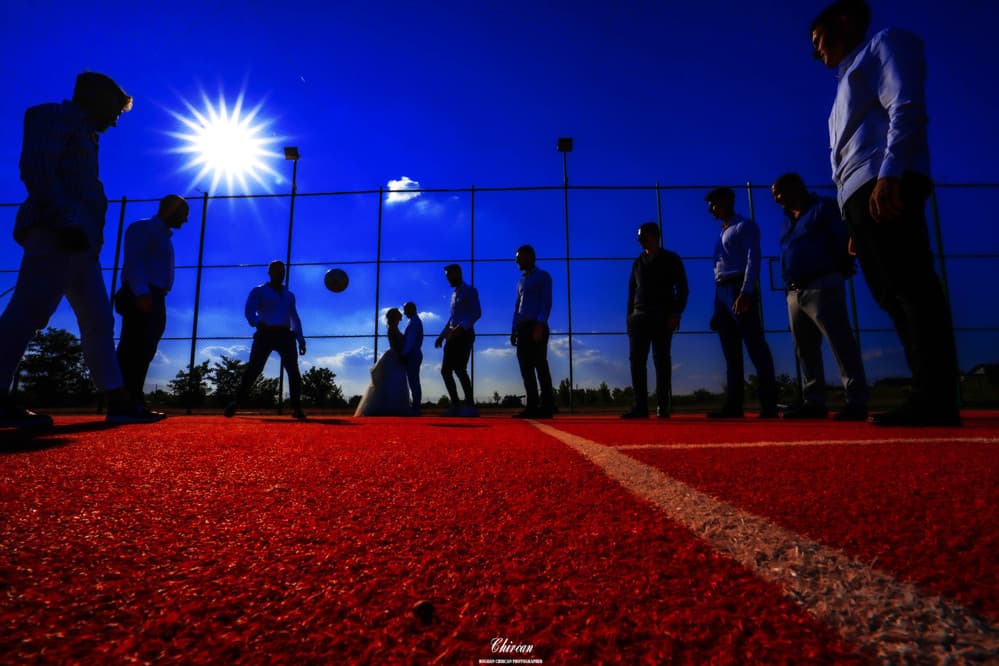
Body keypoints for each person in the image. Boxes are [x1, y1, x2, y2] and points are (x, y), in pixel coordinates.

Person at [810, 0, 960, 426]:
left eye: (817, 39)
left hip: (884, 180)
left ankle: (937, 397)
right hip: (861, 195)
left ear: (841, 20)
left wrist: (890, 172)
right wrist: (850, 216)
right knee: (891, 293)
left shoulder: (883, 44)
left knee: (912, 286)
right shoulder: (844, 85)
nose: (816, 51)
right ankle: (926, 391)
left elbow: (906, 104)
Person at [0, 72, 161, 428]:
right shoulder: (53, 116)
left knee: (98, 320)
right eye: (115, 111)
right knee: (27, 313)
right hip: (58, 234)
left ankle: (116, 398)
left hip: (81, 245)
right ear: (98, 100)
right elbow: (37, 168)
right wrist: (64, 220)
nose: (115, 121)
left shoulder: (87, 136)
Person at [771, 173, 868, 420]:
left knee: (840, 342)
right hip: (794, 291)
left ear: (795, 188)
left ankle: (856, 400)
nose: (776, 199)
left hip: (822, 284)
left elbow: (843, 238)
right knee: (805, 350)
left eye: (779, 193)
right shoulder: (785, 222)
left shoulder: (823, 207)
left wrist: (842, 265)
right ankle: (813, 400)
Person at [706, 187, 778, 419]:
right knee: (731, 353)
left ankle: (769, 405)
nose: (711, 209)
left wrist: (746, 291)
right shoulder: (722, 234)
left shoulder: (745, 226)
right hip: (722, 290)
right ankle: (734, 405)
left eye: (714, 204)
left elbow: (752, 259)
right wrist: (718, 306)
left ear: (727, 202)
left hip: (738, 287)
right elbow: (720, 269)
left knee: (755, 346)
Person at [114, 195, 189, 419]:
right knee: (132, 349)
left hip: (153, 295)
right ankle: (122, 404)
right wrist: (141, 292)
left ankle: (132, 402)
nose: (185, 220)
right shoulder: (143, 228)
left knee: (144, 350)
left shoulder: (163, 236)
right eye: (183, 214)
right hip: (144, 294)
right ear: (171, 209)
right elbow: (134, 260)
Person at [224, 260, 307, 420]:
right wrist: (256, 322)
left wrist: (300, 339)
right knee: (254, 369)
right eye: (276, 271)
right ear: (269, 272)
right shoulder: (259, 291)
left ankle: (296, 407)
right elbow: (249, 310)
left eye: (282, 271)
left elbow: (294, 318)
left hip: (285, 335)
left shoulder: (289, 295)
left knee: (293, 371)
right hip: (265, 333)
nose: (280, 273)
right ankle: (237, 402)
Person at [622, 223, 688, 419]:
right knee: (637, 362)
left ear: (655, 236)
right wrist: (629, 318)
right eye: (639, 236)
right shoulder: (637, 263)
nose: (640, 239)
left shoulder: (671, 259)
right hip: (638, 319)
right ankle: (640, 406)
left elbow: (682, 289)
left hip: (662, 318)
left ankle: (662, 406)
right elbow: (631, 293)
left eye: (643, 235)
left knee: (661, 361)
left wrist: (676, 313)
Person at [510, 245, 555, 419]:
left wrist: (540, 324)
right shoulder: (521, 281)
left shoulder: (543, 277)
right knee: (526, 368)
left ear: (529, 257)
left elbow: (546, 302)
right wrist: (514, 329)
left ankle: (547, 405)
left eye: (519, 257)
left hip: (536, 326)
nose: (516, 261)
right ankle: (532, 406)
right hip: (522, 328)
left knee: (540, 365)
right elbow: (517, 307)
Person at [435, 264, 481, 416]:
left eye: (449, 275)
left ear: (457, 273)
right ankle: (455, 405)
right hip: (452, 336)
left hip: (465, 335)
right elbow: (452, 319)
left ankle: (470, 406)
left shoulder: (470, 291)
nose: (447, 278)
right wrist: (442, 335)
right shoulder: (454, 294)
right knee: (446, 370)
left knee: (460, 369)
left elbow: (476, 313)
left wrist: (461, 327)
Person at [355, 308, 412, 416]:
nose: (401, 315)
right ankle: (392, 408)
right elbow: (396, 345)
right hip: (395, 356)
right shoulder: (392, 329)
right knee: (394, 382)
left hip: (394, 356)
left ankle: (393, 407)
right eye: (399, 314)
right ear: (395, 317)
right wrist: (401, 357)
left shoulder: (394, 328)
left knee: (393, 382)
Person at [401, 301, 424, 415]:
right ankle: (416, 406)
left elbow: (410, 340)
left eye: (405, 310)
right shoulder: (414, 321)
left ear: (411, 309)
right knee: (414, 381)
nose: (404, 313)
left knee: (414, 381)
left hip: (413, 354)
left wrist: (404, 354)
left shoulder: (414, 322)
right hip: (414, 353)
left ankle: (416, 407)